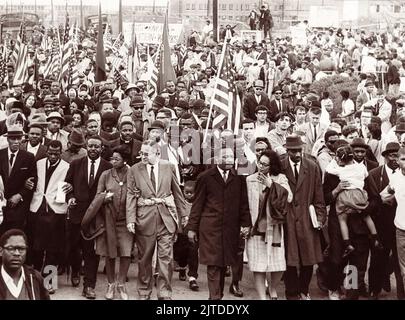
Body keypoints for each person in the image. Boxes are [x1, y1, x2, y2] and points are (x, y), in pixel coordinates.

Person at [187, 147, 251, 300]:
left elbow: (243, 204)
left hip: (230, 229)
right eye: (225, 157)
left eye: (231, 157)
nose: (229, 160)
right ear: (217, 159)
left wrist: (246, 224)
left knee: (224, 263)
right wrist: (192, 228)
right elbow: (197, 204)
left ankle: (217, 296)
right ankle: (215, 298)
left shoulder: (239, 178)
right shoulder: (205, 177)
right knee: (214, 263)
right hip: (210, 229)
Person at [126, 140, 186, 300]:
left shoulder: (169, 167)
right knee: (145, 257)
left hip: (166, 219)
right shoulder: (134, 169)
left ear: (157, 153)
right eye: (141, 153)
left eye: (146, 154)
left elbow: (177, 191)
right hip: (144, 219)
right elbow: (131, 194)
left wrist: (184, 215)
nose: (142, 156)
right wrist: (130, 219)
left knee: (165, 258)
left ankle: (164, 292)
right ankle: (144, 290)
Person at [64, 136, 113, 299]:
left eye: (96, 147)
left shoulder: (108, 167)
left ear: (101, 149)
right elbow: (67, 185)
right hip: (76, 214)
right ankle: (76, 270)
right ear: (86, 147)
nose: (93, 149)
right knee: (73, 248)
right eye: (90, 146)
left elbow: (111, 188)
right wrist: (69, 197)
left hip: (96, 216)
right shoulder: (76, 164)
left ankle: (89, 286)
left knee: (92, 252)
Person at [85, 145, 133, 300]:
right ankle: (111, 284)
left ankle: (121, 284)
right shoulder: (106, 175)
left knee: (126, 253)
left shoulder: (132, 174)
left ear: (124, 160)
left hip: (126, 220)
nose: (113, 161)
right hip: (108, 219)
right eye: (112, 158)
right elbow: (98, 195)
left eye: (117, 159)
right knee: (110, 253)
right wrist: (105, 198)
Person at [282, 135, 326, 300]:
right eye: (293, 151)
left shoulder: (312, 166)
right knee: (289, 258)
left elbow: (318, 196)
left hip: (308, 218)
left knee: (309, 257)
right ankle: (292, 292)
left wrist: (320, 218)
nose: (297, 154)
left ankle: (303, 289)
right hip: (286, 219)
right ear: (287, 150)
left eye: (299, 150)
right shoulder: (280, 166)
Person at [246, 149, 292, 300]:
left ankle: (272, 288)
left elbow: (289, 198)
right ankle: (262, 297)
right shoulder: (250, 179)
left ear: (272, 166)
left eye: (265, 165)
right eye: (260, 163)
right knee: (258, 265)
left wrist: (271, 185)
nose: (261, 167)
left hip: (274, 227)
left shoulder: (280, 178)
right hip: (256, 227)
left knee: (277, 264)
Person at [325, 145, 382, 257]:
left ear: (339, 159)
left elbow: (329, 169)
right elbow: (325, 198)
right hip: (359, 195)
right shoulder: (362, 168)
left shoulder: (340, 170)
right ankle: (375, 237)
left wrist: (333, 163)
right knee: (367, 217)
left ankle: (347, 244)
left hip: (345, 198)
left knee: (342, 219)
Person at [28, 140, 69, 294]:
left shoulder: (66, 167)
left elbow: (69, 185)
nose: (52, 156)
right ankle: (36, 279)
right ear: (46, 151)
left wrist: (70, 187)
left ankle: (49, 281)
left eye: (56, 153)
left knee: (53, 248)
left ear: (61, 152)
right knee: (36, 247)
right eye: (50, 153)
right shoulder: (38, 163)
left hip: (55, 210)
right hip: (37, 207)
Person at [366, 142, 405, 299]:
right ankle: (374, 290)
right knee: (377, 258)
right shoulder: (375, 173)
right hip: (380, 225)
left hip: (399, 225)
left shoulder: (399, 175)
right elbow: (377, 197)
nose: (395, 159)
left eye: (397, 155)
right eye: (392, 155)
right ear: (385, 156)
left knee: (398, 264)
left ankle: (400, 293)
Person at [0, 125, 36, 236]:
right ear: (7, 139)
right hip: (0, 203)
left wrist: (20, 195)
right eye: (13, 138)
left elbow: (33, 181)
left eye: (18, 138)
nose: (16, 142)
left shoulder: (28, 157)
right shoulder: (0, 154)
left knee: (15, 234)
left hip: (18, 206)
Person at [0, 229, 50, 300]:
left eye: (21, 249)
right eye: (11, 249)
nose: (17, 253)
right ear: (1, 251)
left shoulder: (35, 278)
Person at [173, 180, 200, 291]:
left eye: (191, 192)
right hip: (181, 233)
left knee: (193, 254)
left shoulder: (198, 204)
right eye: (186, 192)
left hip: (193, 234)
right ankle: (182, 268)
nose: (189, 194)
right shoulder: (180, 203)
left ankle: (192, 277)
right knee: (181, 254)